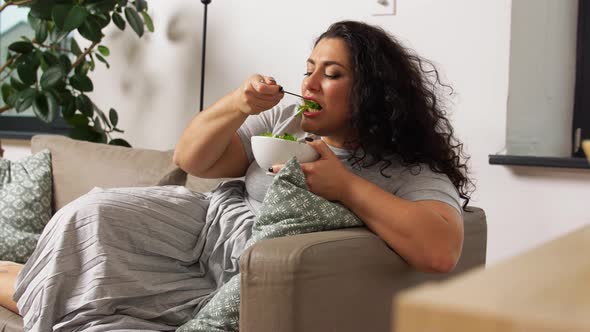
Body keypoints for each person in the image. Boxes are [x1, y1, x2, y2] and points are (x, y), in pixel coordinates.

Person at [0, 20, 471, 331]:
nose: (308, 85)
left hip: (242, 272)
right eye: (308, 70)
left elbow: (441, 250)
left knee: (77, 291)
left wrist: (345, 186)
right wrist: (239, 104)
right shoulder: (284, 118)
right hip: (199, 227)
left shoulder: (405, 167)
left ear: (372, 92)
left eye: (331, 75)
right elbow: (194, 159)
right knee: (91, 213)